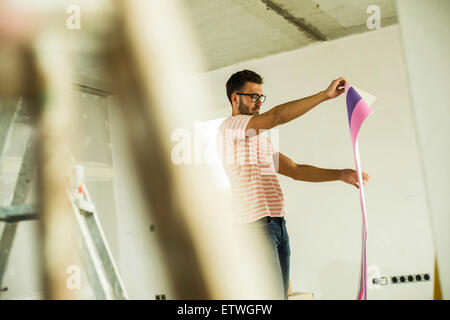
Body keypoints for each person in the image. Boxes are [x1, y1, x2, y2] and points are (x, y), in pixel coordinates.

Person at [217, 69, 370, 299]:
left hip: (277, 225)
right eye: (253, 97)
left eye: (261, 96)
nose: (259, 102)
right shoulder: (232, 127)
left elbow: (296, 170)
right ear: (235, 98)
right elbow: (276, 116)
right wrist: (323, 96)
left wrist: (341, 174)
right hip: (255, 227)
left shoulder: (260, 140)